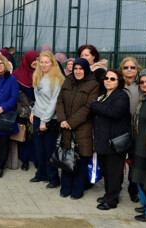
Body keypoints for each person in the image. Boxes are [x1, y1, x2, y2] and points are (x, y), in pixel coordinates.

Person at [56, 58, 99, 199]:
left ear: (86, 69)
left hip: (83, 129)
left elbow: (88, 108)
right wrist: (62, 120)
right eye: (75, 69)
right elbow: (60, 101)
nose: (78, 71)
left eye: (81, 69)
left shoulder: (93, 85)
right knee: (67, 159)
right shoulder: (67, 80)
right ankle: (65, 188)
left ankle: (77, 191)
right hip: (66, 127)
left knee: (81, 160)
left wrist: (71, 122)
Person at [91, 69, 130, 210]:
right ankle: (109, 194)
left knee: (113, 172)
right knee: (107, 171)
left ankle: (112, 200)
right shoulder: (103, 94)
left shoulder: (122, 96)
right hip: (102, 140)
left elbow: (113, 112)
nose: (108, 80)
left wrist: (95, 106)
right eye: (106, 78)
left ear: (119, 81)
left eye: (112, 79)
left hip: (114, 141)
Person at [29, 51, 65, 188]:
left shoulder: (56, 80)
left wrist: (44, 121)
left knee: (49, 150)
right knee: (39, 149)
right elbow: (38, 99)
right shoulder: (37, 76)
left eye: (46, 62)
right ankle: (41, 174)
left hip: (50, 120)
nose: (43, 65)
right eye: (41, 62)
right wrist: (33, 112)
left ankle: (53, 179)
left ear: (52, 63)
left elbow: (53, 102)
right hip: (37, 117)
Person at [13, 50, 39, 171]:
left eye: (37, 59)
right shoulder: (17, 74)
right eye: (33, 59)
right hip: (23, 110)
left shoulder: (41, 74)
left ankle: (36, 159)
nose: (35, 62)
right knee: (24, 136)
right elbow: (15, 94)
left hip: (39, 110)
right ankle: (24, 160)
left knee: (36, 136)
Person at [120, 57, 142, 203]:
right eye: (126, 67)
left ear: (137, 69)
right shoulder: (117, 83)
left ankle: (133, 188)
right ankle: (115, 186)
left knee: (134, 159)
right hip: (120, 127)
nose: (129, 70)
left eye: (132, 67)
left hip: (137, 129)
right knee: (118, 158)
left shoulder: (142, 84)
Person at [132, 69, 146, 222]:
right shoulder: (144, 99)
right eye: (142, 82)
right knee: (140, 176)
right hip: (140, 146)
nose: (144, 84)